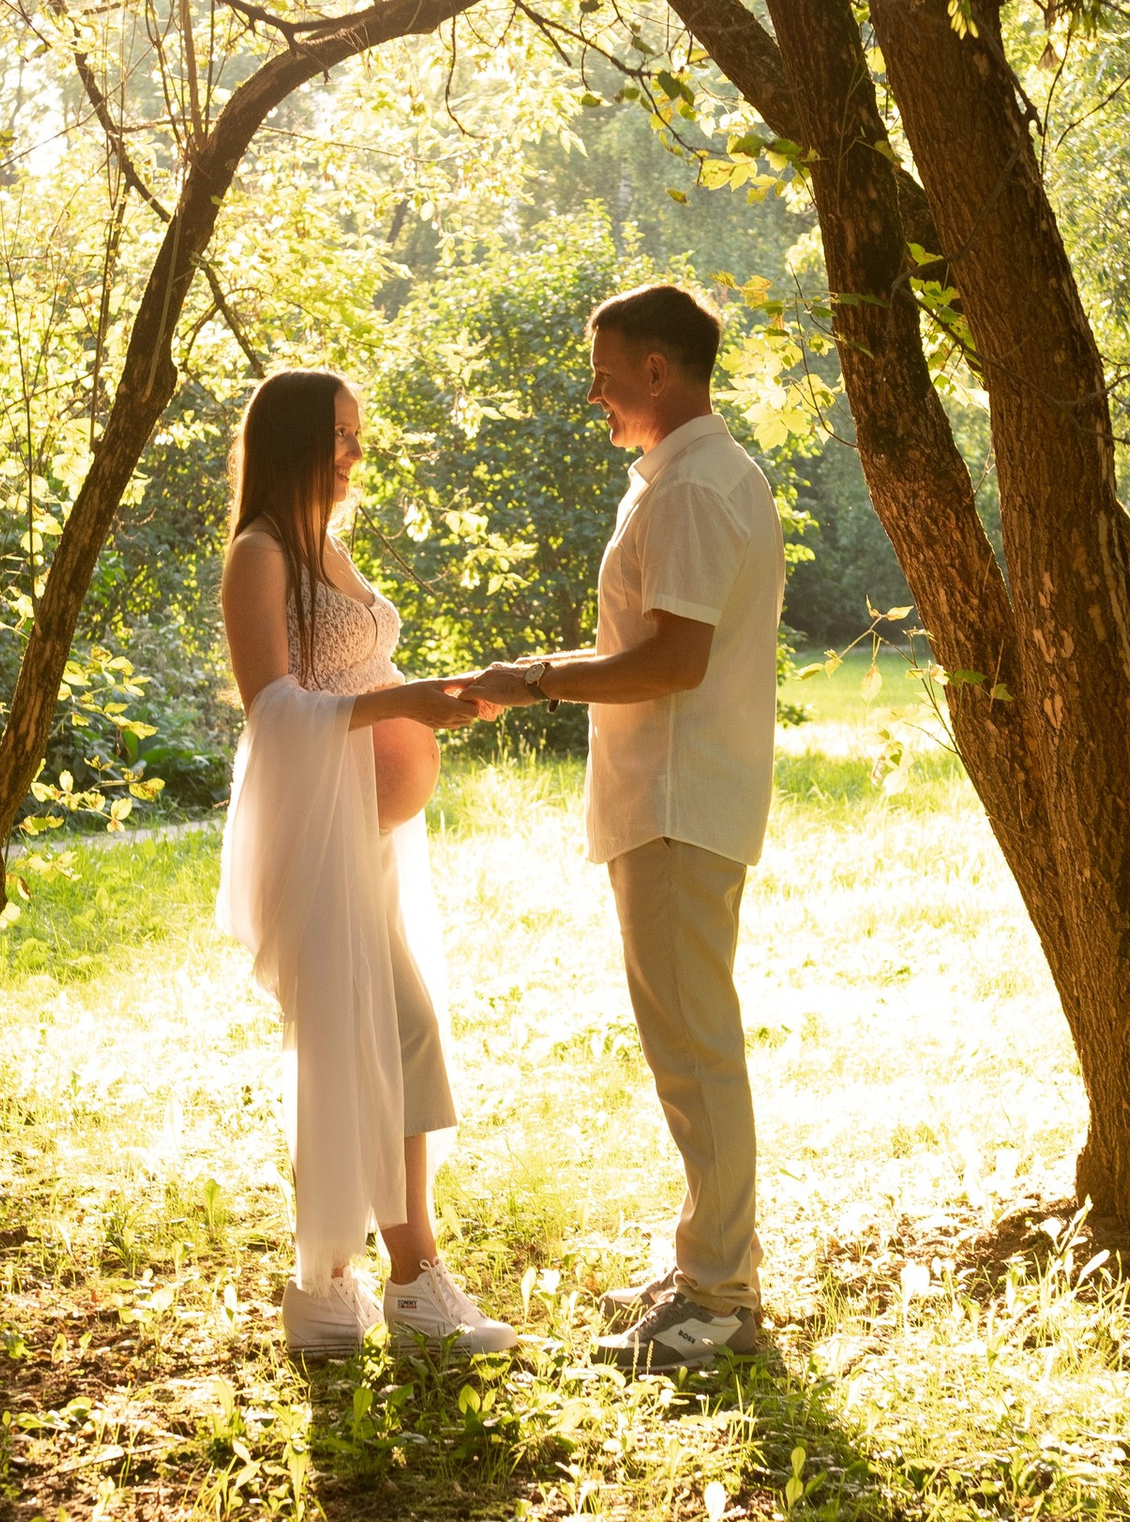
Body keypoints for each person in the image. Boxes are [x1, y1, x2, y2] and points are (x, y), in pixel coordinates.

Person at [467, 285, 786, 1373]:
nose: (593, 393)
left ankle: (721, 1300)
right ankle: (708, 1264)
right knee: (687, 1048)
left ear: (658, 370)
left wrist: (536, 678)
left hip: (679, 803)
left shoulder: (694, 486)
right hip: (669, 800)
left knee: (696, 1053)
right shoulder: (684, 475)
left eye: (605, 374)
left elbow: (674, 660)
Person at [215, 368, 518, 1362]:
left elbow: (359, 673)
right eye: (340, 434)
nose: (356, 452)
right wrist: (403, 704)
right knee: (395, 1033)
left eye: (356, 433)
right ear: (295, 441)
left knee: (362, 1042)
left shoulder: (330, 550)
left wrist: (439, 697)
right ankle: (408, 1279)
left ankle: (329, 1286)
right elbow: (272, 709)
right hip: (313, 837)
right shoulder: (260, 555)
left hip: (372, 839)